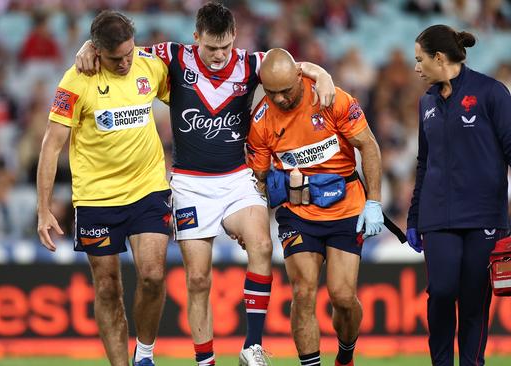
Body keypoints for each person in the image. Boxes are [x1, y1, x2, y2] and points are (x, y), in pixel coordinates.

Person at [75, 3, 336, 365]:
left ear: (235, 39)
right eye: (211, 47)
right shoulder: (173, 56)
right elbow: (122, 50)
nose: (219, 56)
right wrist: (88, 48)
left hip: (236, 178)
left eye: (226, 47)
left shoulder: (250, 64)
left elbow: (290, 66)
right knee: (198, 280)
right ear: (196, 37)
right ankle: (206, 362)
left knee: (261, 245)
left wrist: (321, 74)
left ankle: (253, 347)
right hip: (190, 184)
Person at [37, 11, 172, 366]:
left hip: (148, 190)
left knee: (154, 275)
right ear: (97, 51)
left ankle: (144, 354)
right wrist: (43, 208)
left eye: (129, 53)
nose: (126, 62)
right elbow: (51, 145)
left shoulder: (149, 65)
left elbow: (194, 89)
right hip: (96, 199)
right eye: (116, 58)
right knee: (109, 288)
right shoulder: (75, 81)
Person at [246, 48, 384, 366]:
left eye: (285, 91)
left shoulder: (330, 98)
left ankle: (345, 355)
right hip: (297, 215)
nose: (279, 99)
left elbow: (369, 146)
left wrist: (374, 201)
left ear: (299, 76)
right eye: (271, 92)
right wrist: (254, 218)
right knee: (303, 291)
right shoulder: (262, 120)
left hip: (346, 209)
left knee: (343, 297)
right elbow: (260, 180)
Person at [406, 25, 511, 366]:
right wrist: (414, 216)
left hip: (483, 215)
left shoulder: (492, 92)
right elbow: (423, 162)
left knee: (475, 300)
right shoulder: (426, 103)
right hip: (437, 217)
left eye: (420, 60)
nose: (416, 67)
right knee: (442, 292)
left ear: (439, 58)